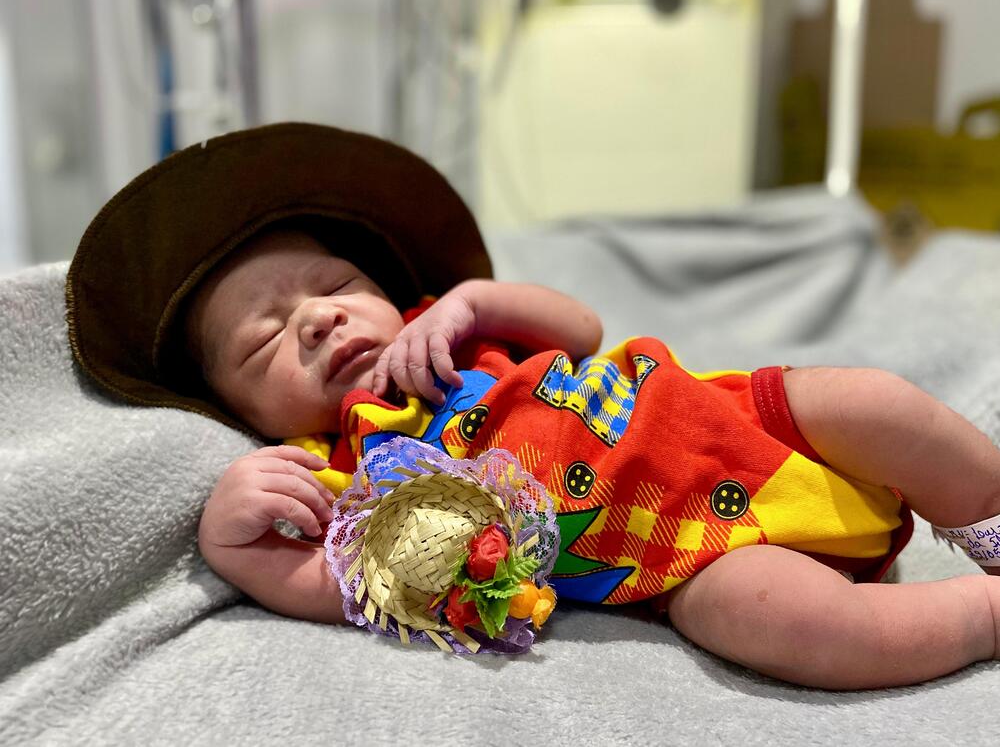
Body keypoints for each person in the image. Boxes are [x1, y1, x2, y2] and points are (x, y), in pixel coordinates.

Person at [67, 123, 1000, 691]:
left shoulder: (451, 330)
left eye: (338, 285)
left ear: (393, 291)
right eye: (264, 341)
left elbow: (585, 328)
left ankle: (989, 510)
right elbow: (348, 590)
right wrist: (236, 538)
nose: (316, 319)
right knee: (778, 628)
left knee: (870, 400)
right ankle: (979, 616)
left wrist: (478, 300)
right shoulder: (346, 477)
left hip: (738, 418)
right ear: (244, 414)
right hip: (689, 560)